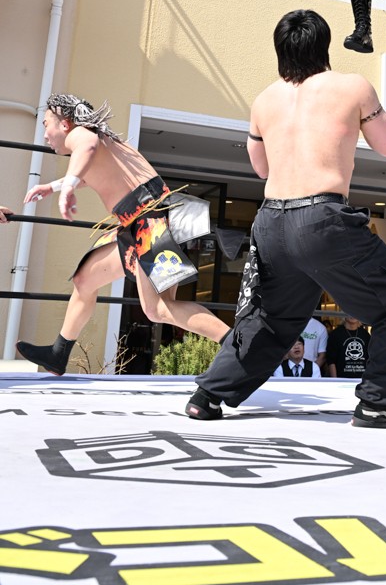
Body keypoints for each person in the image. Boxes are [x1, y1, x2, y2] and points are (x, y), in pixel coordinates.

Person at [185, 9, 386, 428]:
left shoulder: (264, 100)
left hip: (270, 221)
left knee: (273, 319)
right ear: (324, 44)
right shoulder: (352, 86)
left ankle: (207, 396)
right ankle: (378, 403)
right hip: (322, 218)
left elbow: (261, 168)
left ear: (280, 49)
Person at [17, 94, 229, 375]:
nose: (45, 134)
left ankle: (238, 345)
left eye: (46, 125)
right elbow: (91, 170)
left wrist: (67, 187)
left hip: (150, 222)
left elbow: (86, 147)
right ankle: (58, 353)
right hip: (141, 222)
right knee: (85, 279)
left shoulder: (83, 135)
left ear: (65, 124)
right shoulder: (102, 141)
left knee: (158, 309)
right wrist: (54, 186)